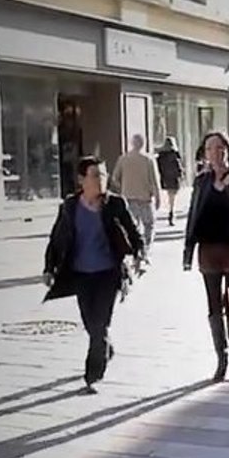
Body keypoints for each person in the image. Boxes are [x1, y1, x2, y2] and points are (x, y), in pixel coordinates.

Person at [43, 156, 144, 393]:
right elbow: (56, 240)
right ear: (81, 180)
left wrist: (140, 254)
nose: (101, 180)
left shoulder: (115, 204)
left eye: (103, 175)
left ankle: (92, 374)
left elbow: (133, 233)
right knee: (91, 324)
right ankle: (104, 348)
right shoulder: (69, 207)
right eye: (95, 175)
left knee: (100, 325)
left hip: (108, 274)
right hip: (80, 275)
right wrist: (49, 268)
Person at [183, 132, 229, 382]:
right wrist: (187, 251)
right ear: (205, 153)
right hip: (209, 251)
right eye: (210, 148)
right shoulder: (201, 181)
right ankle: (221, 358)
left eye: (220, 147)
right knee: (214, 306)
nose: (215, 153)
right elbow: (193, 214)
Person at [111, 134, 160, 258]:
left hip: (128, 197)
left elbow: (114, 178)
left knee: (133, 225)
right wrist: (157, 196)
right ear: (143, 144)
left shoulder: (123, 159)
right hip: (144, 198)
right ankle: (146, 248)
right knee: (149, 224)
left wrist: (122, 187)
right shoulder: (148, 160)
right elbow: (154, 181)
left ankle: (136, 249)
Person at [156, 136, 184, 227]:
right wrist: (181, 176)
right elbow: (179, 168)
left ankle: (169, 212)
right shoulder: (175, 155)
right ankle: (171, 212)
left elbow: (158, 168)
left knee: (167, 196)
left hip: (164, 179)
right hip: (174, 179)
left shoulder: (160, 156)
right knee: (172, 199)